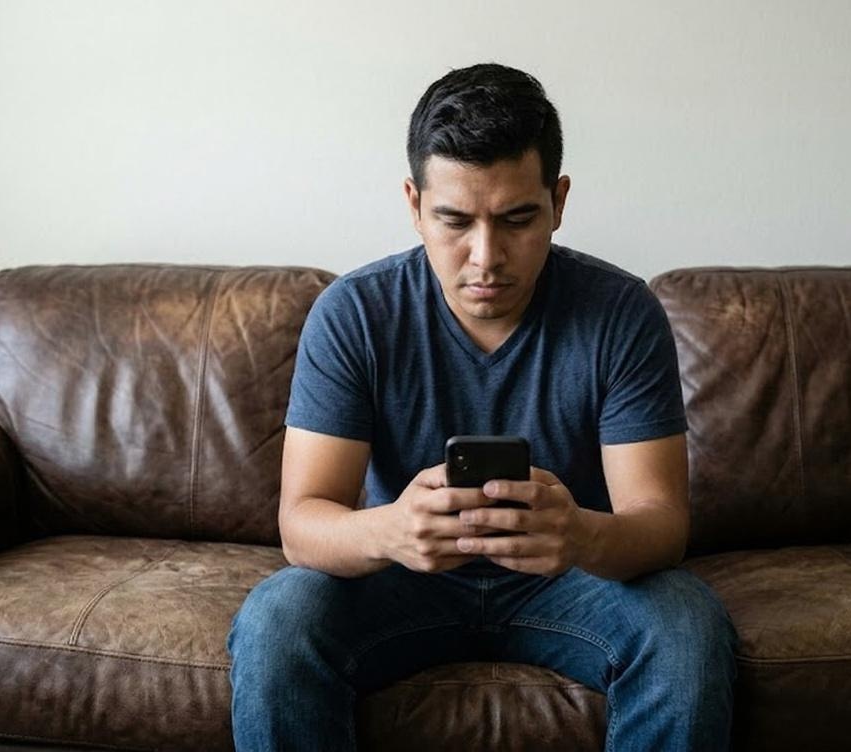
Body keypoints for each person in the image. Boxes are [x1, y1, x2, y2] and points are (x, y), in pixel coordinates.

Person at [227, 62, 738, 751]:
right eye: (454, 221)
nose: (485, 257)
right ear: (413, 204)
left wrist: (582, 536)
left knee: (686, 619)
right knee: (278, 616)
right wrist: (391, 531)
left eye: (517, 219)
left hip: (570, 580)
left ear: (558, 201)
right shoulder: (355, 314)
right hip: (404, 578)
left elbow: (661, 524)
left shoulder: (620, 315)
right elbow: (302, 524)